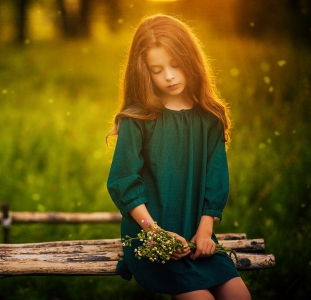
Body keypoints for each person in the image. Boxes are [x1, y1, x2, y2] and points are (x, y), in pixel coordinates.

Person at [106, 14, 251, 300]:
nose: (169, 76)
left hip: (198, 234)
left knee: (240, 296)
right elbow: (123, 180)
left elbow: (215, 179)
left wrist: (206, 232)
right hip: (151, 237)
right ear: (144, 72)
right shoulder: (138, 119)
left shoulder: (209, 118)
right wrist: (156, 233)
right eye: (157, 69)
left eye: (175, 64)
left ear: (191, 60)